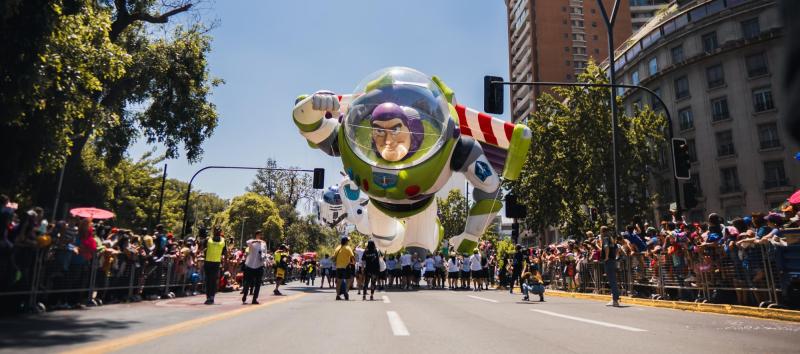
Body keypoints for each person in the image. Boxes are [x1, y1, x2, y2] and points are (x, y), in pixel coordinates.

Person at [203, 227, 227, 305]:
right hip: (208, 262)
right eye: (216, 231)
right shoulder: (208, 239)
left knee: (213, 280)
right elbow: (203, 248)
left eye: (218, 231)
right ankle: (208, 297)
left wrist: (225, 262)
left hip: (216, 262)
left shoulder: (223, 241)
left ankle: (211, 297)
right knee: (208, 280)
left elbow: (225, 252)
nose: (217, 232)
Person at [242, 230, 266, 305]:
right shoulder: (252, 242)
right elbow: (247, 242)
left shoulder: (264, 244)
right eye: (259, 235)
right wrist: (256, 241)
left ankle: (254, 299)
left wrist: (263, 257)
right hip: (250, 265)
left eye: (261, 235)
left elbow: (265, 253)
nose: (260, 236)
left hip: (259, 265)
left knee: (258, 284)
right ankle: (245, 295)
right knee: (247, 282)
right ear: (256, 235)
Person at [600, 226, 620, 307]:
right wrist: (615, 257)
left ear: (602, 231)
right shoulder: (611, 239)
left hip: (609, 261)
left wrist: (607, 257)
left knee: (612, 280)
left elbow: (606, 247)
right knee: (613, 280)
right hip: (613, 260)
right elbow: (617, 249)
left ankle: (615, 300)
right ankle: (614, 298)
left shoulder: (605, 238)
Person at [333, 236, 355, 300]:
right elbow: (352, 256)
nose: (348, 242)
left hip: (338, 267)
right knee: (348, 280)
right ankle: (346, 291)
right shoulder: (348, 248)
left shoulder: (337, 248)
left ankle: (337, 295)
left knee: (338, 282)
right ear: (346, 242)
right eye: (348, 241)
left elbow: (334, 257)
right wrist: (353, 262)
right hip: (346, 266)